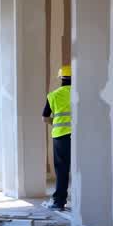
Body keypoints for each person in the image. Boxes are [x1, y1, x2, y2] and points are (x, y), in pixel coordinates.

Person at [42, 64, 72, 211]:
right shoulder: (81, 93)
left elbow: (45, 118)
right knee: (83, 169)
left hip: (61, 136)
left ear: (61, 78)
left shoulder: (53, 95)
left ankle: (59, 202)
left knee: (62, 169)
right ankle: (85, 202)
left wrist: (55, 122)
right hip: (80, 137)